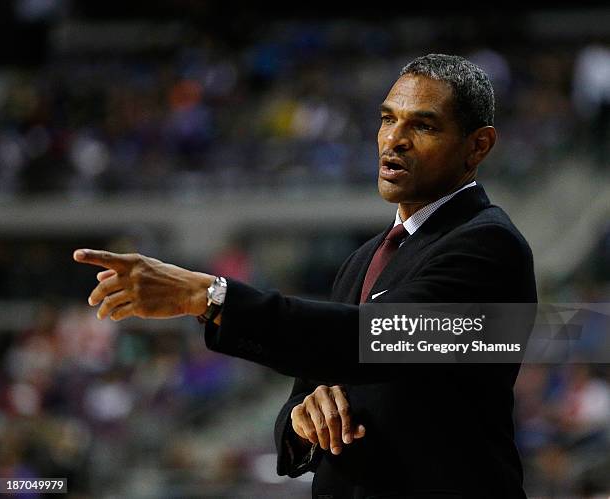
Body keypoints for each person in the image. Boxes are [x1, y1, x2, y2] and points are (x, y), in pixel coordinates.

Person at [73, 54, 537, 498]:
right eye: (387, 118)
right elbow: (308, 388)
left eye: (423, 125)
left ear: (478, 145)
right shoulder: (363, 259)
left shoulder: (488, 245)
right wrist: (301, 420)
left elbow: (374, 340)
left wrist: (210, 295)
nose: (394, 139)